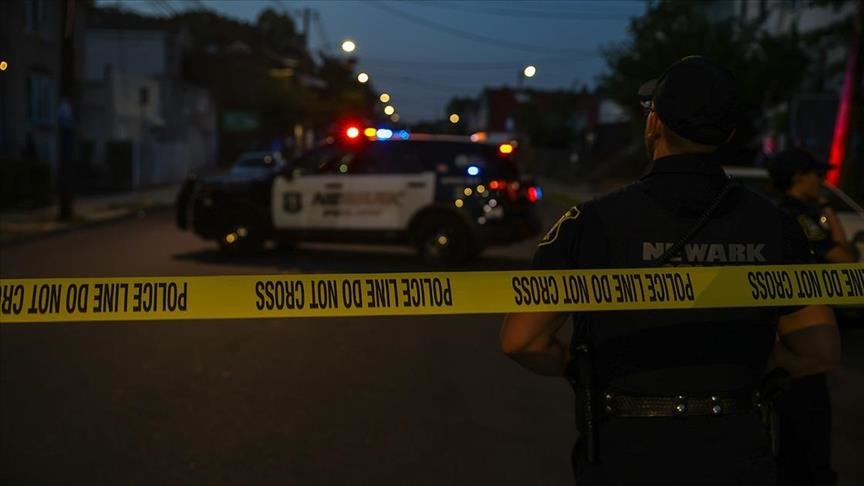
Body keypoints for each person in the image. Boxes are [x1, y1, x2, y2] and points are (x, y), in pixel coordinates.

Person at [500, 56, 841, 485]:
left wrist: (577, 366)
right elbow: (820, 350)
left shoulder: (591, 223)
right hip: (737, 456)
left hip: (626, 456)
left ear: (654, 123)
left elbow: (521, 339)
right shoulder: (776, 226)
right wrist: (750, 366)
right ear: (728, 134)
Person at [767, 148, 858, 486]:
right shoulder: (798, 218)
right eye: (816, 174)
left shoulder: (785, 214)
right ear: (798, 177)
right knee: (807, 434)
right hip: (801, 333)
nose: (821, 180)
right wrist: (826, 211)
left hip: (798, 331)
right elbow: (845, 258)